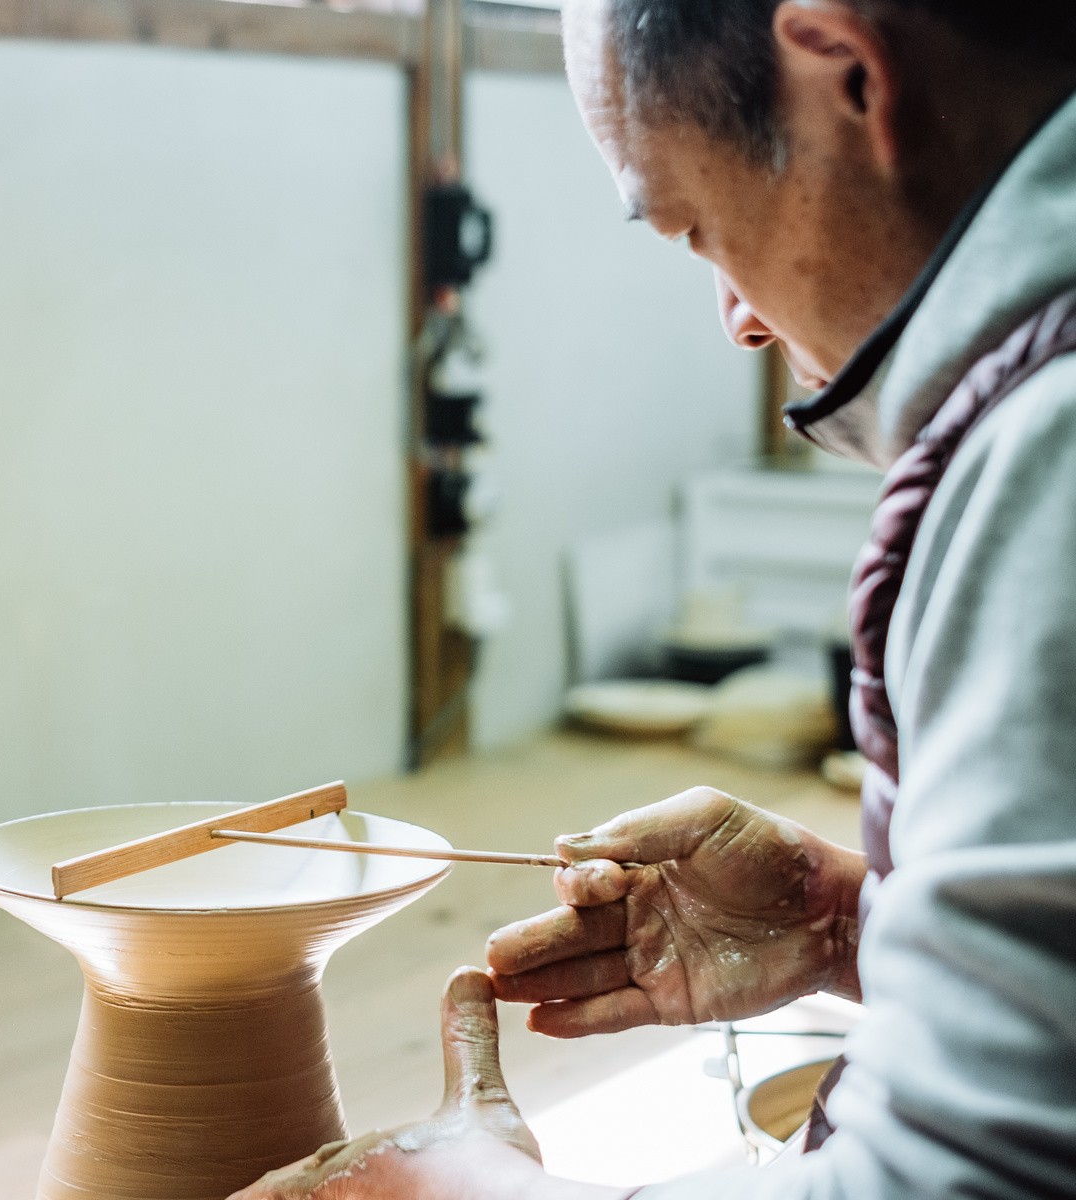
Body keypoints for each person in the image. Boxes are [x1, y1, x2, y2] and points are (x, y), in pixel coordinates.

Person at [230, 1, 1076, 1196]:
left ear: (846, 73)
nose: (735, 316)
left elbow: (986, 1178)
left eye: (689, 224)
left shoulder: (1053, 454)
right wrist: (860, 926)